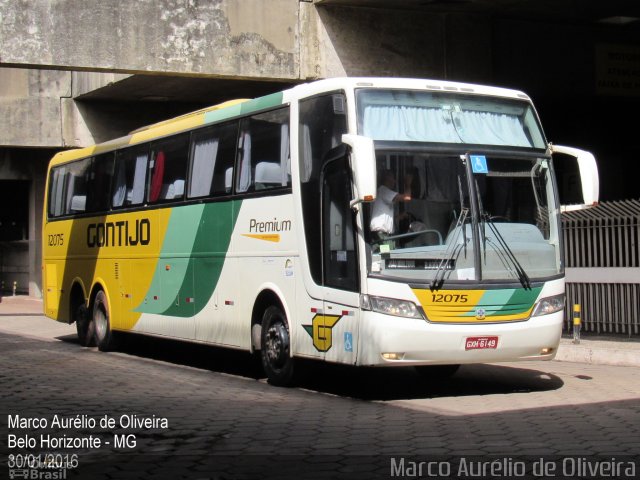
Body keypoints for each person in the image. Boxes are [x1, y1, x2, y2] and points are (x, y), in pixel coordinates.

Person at [370, 169, 412, 243]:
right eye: (393, 178)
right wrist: (408, 184)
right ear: (387, 178)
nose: (395, 181)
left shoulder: (381, 192)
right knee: (385, 254)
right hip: (381, 234)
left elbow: (384, 216)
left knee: (388, 253)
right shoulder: (383, 190)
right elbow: (407, 198)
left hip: (382, 234)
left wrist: (399, 217)